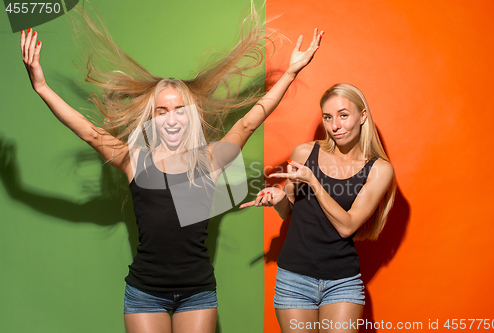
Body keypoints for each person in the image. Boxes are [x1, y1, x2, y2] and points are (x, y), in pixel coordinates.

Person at [19, 4, 324, 331]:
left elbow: (250, 121)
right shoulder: (135, 160)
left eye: (180, 109)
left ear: (191, 115)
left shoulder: (210, 159)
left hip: (198, 292)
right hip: (144, 293)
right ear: (152, 117)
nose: (172, 118)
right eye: (162, 110)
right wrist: (41, 87)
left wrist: (290, 73)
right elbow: (88, 131)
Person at [240, 83, 396, 332]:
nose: (335, 125)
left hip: (342, 282)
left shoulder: (379, 169)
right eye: (328, 117)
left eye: (343, 115)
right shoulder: (304, 152)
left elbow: (347, 227)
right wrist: (277, 198)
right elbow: (289, 210)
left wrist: (314, 180)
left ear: (362, 115)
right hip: (293, 279)